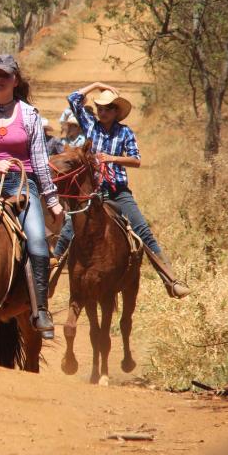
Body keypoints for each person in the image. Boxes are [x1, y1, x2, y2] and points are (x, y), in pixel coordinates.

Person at [53, 82, 191, 298]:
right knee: (69, 229)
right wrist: (97, 85)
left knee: (142, 229)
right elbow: (72, 99)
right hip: (93, 194)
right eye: (100, 107)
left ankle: (170, 280)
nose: (102, 111)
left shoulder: (125, 132)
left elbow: (136, 160)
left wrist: (113, 159)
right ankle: (49, 279)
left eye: (107, 108)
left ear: (116, 111)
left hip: (118, 192)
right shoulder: (90, 125)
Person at [0, 54, 63, 339]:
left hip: (20, 185)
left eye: (5, 75)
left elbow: (40, 159)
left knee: (36, 239)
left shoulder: (30, 115)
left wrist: (52, 199)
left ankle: (40, 309)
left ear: (15, 80)